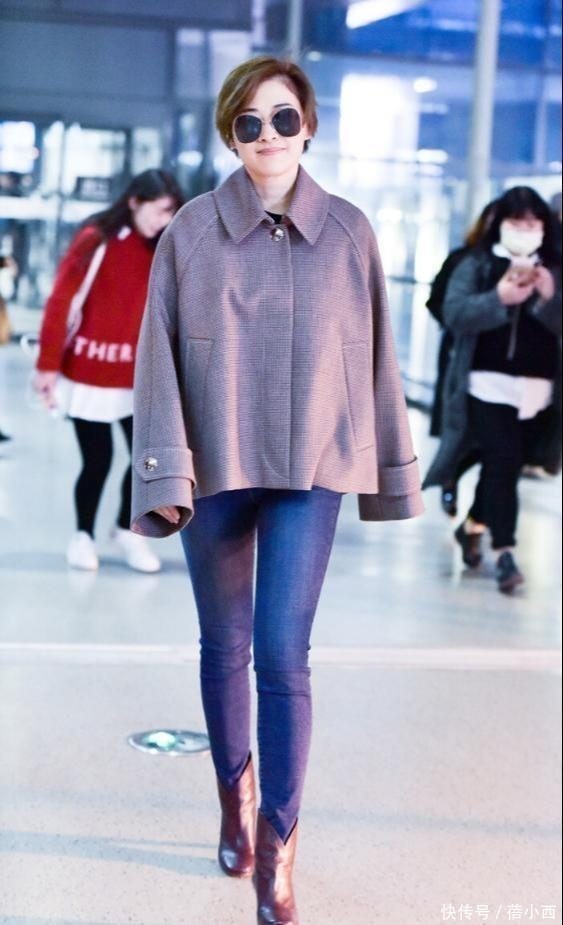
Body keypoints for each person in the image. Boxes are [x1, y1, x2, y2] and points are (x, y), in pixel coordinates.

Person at [130, 56, 423, 924]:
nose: (268, 135)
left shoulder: (349, 232)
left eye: (283, 118)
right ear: (230, 133)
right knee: (223, 646)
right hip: (216, 464)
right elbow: (157, 358)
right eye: (249, 122)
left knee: (282, 654)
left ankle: (278, 844)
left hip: (312, 467)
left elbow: (376, 357)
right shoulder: (189, 231)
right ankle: (234, 796)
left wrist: (391, 470)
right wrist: (165, 469)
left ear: (309, 127)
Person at [34, 169, 184, 572]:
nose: (164, 221)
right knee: (97, 460)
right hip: (87, 373)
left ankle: (126, 531)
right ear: (135, 202)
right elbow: (61, 301)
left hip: (139, 377)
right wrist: (47, 365)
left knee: (145, 461)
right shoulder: (97, 238)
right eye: (159, 210)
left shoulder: (166, 248)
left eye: (170, 213)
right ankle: (82, 536)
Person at [424, 186, 562, 594]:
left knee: (508, 463)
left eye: (533, 224)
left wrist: (548, 298)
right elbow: (453, 312)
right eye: (517, 222)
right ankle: (505, 552)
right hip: (484, 384)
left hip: (539, 391)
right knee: (502, 458)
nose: (525, 230)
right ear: (500, 223)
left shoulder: (554, 267)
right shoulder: (476, 263)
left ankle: (473, 526)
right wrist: (499, 298)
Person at [426, 200, 498, 516]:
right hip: (461, 355)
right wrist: (460, 326)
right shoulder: (463, 259)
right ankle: (450, 477)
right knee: (462, 429)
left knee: (495, 442)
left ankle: (457, 482)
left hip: (501, 366)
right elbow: (437, 301)